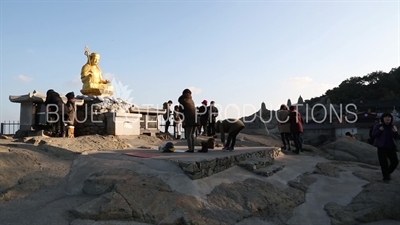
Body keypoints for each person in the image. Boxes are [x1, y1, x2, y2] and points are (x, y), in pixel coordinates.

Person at [371, 112, 399, 182]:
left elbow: (397, 137)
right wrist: (380, 130)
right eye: (386, 117)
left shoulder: (392, 127)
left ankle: (387, 173)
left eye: (389, 117)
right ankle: (386, 177)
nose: (388, 119)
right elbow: (373, 135)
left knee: (395, 162)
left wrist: (395, 132)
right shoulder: (378, 126)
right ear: (383, 119)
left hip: (391, 147)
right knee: (384, 163)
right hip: (381, 147)